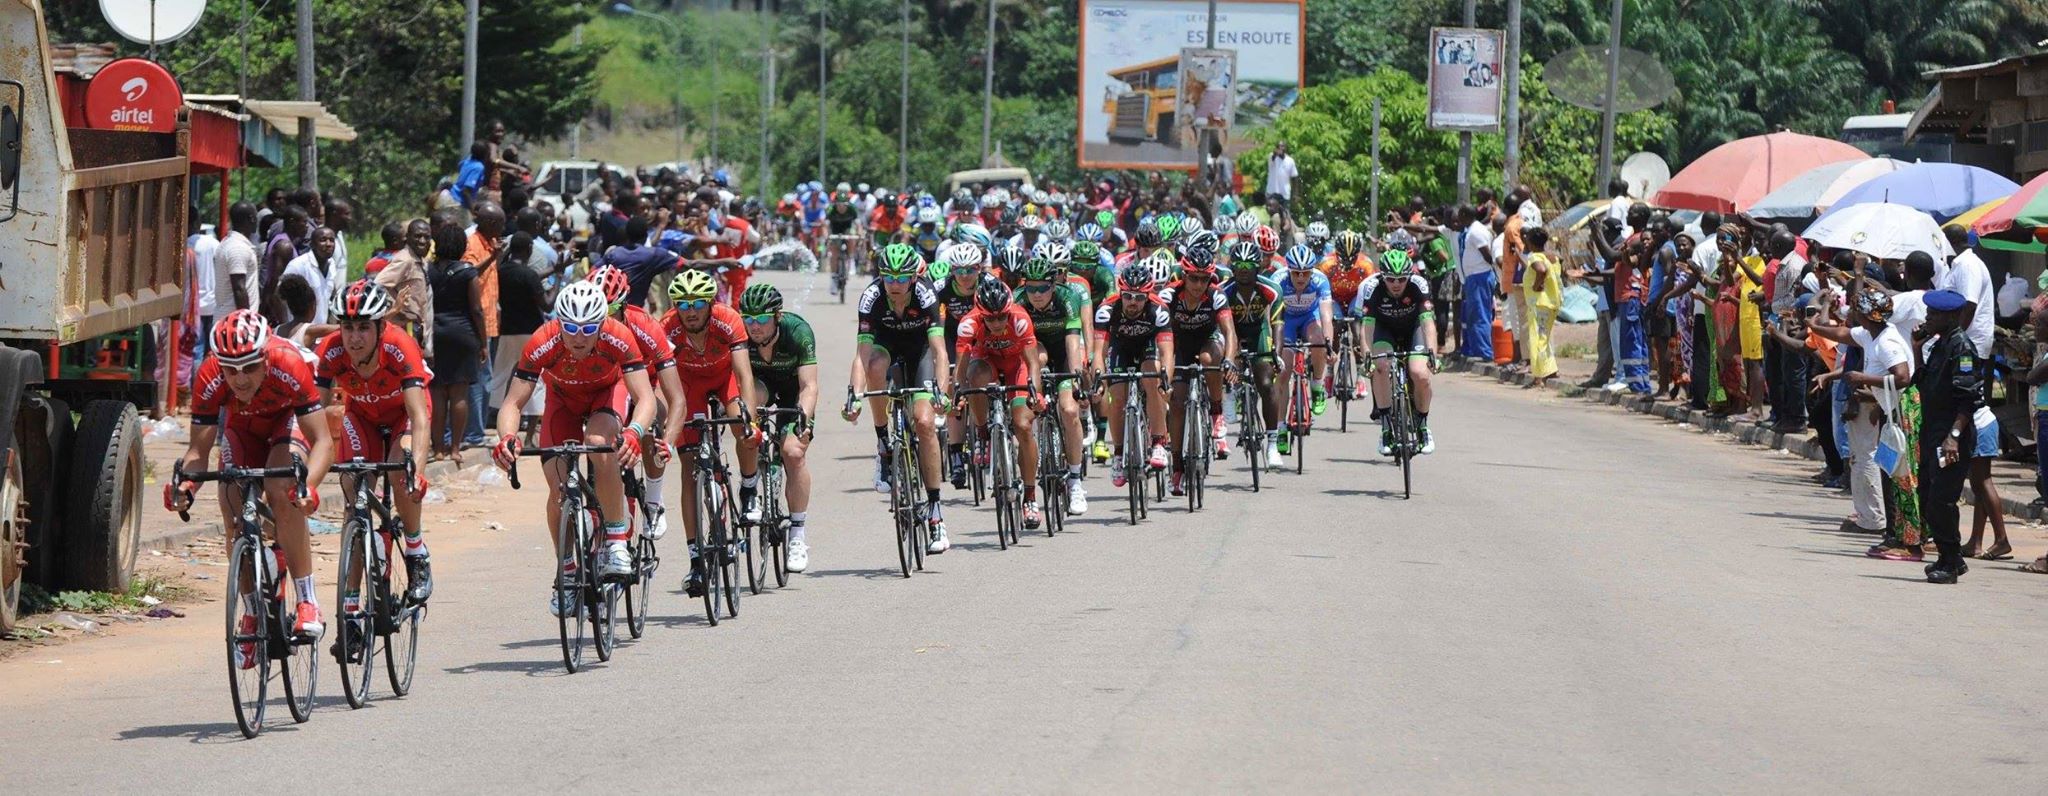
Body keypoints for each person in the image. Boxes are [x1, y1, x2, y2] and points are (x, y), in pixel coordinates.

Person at [164, 310, 337, 652]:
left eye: (250, 368)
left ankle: (307, 600)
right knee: (231, 505)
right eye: (231, 370)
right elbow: (198, 451)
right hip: (243, 431)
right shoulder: (209, 375)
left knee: (281, 489)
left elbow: (323, 442)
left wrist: (309, 488)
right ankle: (252, 611)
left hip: (287, 423)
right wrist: (186, 487)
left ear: (265, 358)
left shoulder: (288, 362)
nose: (240, 379)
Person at [494, 283, 658, 605]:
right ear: (559, 323)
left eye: (588, 329)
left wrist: (634, 432)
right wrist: (508, 438)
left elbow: (645, 398)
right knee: (558, 489)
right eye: (570, 328)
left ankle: (615, 540)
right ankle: (567, 569)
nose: (578, 337)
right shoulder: (542, 341)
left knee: (598, 442)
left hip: (606, 395)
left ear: (602, 323)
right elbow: (512, 403)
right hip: (563, 402)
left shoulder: (619, 336)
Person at [313, 282, 436, 618]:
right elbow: (312, 417)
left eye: (364, 328)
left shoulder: (399, 347)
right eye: (348, 327)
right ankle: (351, 610)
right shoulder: (331, 351)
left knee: (401, 472)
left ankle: (415, 551)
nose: (355, 338)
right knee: (354, 499)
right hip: (362, 416)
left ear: (381, 327)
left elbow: (419, 419)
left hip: (403, 416)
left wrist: (417, 472)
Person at [845, 244, 954, 552]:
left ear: (913, 277)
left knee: (924, 422)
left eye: (901, 277)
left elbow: (940, 351)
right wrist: (854, 396)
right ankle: (883, 443)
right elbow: (861, 355)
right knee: (874, 365)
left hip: (920, 349)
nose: (894, 284)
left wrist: (941, 392)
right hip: (886, 345)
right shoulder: (871, 297)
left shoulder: (926, 295)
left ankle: (935, 512)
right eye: (888, 277)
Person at [659, 270, 761, 596]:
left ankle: (749, 487)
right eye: (683, 304)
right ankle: (695, 559)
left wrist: (750, 420)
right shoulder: (667, 327)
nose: (690, 310)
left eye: (698, 303)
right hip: (687, 386)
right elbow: (659, 380)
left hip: (723, 379)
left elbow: (744, 375)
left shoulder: (728, 319)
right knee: (689, 469)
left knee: (741, 424)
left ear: (711, 302)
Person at [1810, 288, 1913, 551]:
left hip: (1903, 412)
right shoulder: (1870, 335)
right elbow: (1842, 334)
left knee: (1896, 474)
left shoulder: (1887, 342)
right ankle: (1894, 533)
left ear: (1866, 315)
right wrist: (1815, 327)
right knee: (1888, 470)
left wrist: (1864, 379)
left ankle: (1901, 536)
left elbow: (1903, 377)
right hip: (1888, 410)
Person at [953, 278, 1049, 527]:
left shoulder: (1020, 318)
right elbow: (961, 371)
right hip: (987, 363)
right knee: (975, 375)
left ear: (1009, 310)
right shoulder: (968, 323)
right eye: (990, 318)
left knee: (1023, 426)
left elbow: (1033, 364)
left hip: (1017, 365)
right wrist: (958, 394)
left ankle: (1030, 497)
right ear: (980, 314)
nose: (996, 323)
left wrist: (1035, 395)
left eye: (1001, 317)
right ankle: (983, 433)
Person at [738, 284, 820, 572]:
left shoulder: (798, 332)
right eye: (749, 319)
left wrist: (803, 418)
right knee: (751, 408)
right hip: (760, 387)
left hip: (792, 392)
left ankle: (797, 534)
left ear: (777, 316)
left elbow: (809, 386)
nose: (754, 326)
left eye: (762, 319)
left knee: (793, 453)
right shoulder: (741, 336)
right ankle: (757, 473)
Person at [1911, 290, 1980, 583]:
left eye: (1933, 315)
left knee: (1942, 501)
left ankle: (1951, 563)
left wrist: (1953, 437)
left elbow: (1968, 399)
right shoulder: (1940, 344)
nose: (1927, 319)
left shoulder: (1962, 348)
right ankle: (1948, 556)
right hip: (1934, 432)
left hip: (1952, 436)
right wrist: (1917, 348)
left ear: (1951, 317)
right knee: (1928, 496)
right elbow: (1923, 384)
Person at [1014, 257, 1091, 515]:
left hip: (1064, 350)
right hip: (1035, 351)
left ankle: (1075, 480)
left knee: (1069, 410)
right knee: (1038, 358)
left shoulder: (1067, 298)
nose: (1036, 294)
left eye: (1042, 288)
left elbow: (1073, 343)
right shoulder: (1018, 301)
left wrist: (1077, 377)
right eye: (1031, 288)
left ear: (1053, 285)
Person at [1158, 251, 1237, 494]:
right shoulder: (1169, 295)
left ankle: (1216, 412)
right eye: (1193, 278)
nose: (1199, 284)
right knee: (1177, 403)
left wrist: (1229, 360)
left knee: (1209, 359)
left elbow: (1229, 332)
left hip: (1208, 340)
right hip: (1179, 344)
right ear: (1184, 276)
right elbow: (1158, 333)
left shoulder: (1216, 295)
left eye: (1204, 279)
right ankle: (1177, 468)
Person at [1093, 257, 1176, 483]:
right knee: (1117, 397)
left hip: (1147, 346)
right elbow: (1099, 352)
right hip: (1120, 348)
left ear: (1148, 296)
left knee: (1153, 380)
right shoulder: (1106, 309)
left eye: (1139, 298)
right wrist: (1098, 382)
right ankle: (1119, 454)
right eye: (1128, 296)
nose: (1132, 302)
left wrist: (1166, 382)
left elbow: (1167, 353)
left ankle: (1158, 442)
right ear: (1120, 292)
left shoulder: (1159, 310)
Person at [1358, 249, 1439, 454]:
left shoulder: (1418, 285)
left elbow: (1428, 323)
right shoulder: (1372, 288)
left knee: (1420, 373)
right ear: (1382, 276)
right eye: (1391, 279)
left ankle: (1423, 427)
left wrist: (1432, 354)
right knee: (1380, 365)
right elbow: (1367, 327)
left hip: (1413, 329)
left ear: (1409, 276)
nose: (1396, 284)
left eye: (1402, 279)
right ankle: (1386, 428)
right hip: (1384, 330)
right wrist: (1367, 356)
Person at [427, 223, 484, 463]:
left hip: (435, 334)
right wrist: (483, 342)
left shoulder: (428, 270)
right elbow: (476, 310)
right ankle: (455, 449)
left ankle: (438, 449)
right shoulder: (467, 272)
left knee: (438, 392)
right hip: (463, 334)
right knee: (459, 392)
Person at [1222, 240, 1283, 464]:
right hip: (1233, 330)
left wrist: (1276, 353)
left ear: (1258, 267)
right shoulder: (1223, 292)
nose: (1244, 271)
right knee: (1230, 360)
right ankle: (1230, 390)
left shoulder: (1271, 289)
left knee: (1266, 383)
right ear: (1233, 267)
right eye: (1239, 266)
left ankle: (1273, 444)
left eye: (1249, 266)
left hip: (1259, 331)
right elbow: (1223, 329)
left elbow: (1277, 324)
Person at [490, 234, 550, 425]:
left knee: (502, 378)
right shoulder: (529, 274)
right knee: (535, 380)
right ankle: (530, 435)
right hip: (532, 333)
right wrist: (557, 278)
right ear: (529, 249)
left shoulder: (499, 272)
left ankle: (502, 423)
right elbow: (547, 305)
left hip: (507, 331)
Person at [1274, 244, 1334, 433]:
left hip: (1309, 317)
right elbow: (1271, 316)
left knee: (1318, 341)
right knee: (1283, 371)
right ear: (1289, 270)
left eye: (1306, 273)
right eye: (1296, 273)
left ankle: (1317, 384)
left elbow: (1326, 316)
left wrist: (1329, 345)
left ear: (1312, 271)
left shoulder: (1320, 280)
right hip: (1287, 321)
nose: (1301, 277)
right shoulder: (1278, 280)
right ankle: (1280, 427)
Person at [375, 219, 434, 350]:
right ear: (408, 237)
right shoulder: (405, 260)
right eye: (418, 236)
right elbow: (378, 285)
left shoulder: (419, 261)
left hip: (417, 327)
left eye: (426, 237)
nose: (422, 241)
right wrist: (398, 309)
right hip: (406, 327)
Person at [1454, 206, 1497, 363]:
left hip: (1480, 276)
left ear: (1465, 214)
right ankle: (1479, 350)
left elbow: (1487, 255)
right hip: (1474, 277)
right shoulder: (1472, 230)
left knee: (1481, 315)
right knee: (1474, 315)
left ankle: (1486, 352)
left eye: (1459, 215)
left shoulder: (1476, 231)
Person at [1521, 227, 1561, 388]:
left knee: (1537, 339)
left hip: (1539, 303)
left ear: (1531, 243)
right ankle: (1550, 369)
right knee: (1545, 338)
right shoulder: (1552, 257)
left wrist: (1537, 285)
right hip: (1551, 302)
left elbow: (1541, 270)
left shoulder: (1535, 257)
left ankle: (1539, 376)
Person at [281, 226, 345, 326]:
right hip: (298, 331)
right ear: (312, 244)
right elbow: (278, 295)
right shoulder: (298, 265)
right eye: (323, 240)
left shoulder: (332, 264)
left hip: (320, 330)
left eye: (331, 240)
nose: (328, 244)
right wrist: (285, 324)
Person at [213, 202, 260, 329]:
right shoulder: (238, 248)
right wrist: (247, 323)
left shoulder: (228, 243)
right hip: (234, 325)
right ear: (251, 219)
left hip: (229, 321)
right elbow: (239, 288)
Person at [1264, 142, 1298, 227]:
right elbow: (1272, 157)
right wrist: (1275, 153)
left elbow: (1294, 177)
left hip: (1284, 193)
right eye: (1278, 146)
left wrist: (1295, 194)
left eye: (1282, 146)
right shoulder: (1272, 157)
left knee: (1286, 215)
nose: (1281, 148)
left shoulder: (1290, 161)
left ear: (1286, 147)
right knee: (1270, 215)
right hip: (1272, 193)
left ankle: (1289, 231)